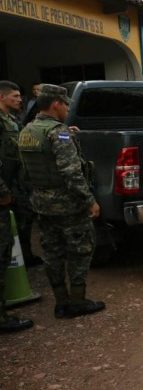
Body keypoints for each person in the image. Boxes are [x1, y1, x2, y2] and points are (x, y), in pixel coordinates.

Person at [18, 84, 105, 319]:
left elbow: (25, 171)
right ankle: (77, 301)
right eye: (65, 104)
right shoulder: (58, 133)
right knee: (80, 249)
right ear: (56, 104)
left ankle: (61, 302)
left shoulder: (27, 130)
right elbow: (71, 173)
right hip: (68, 204)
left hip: (42, 203)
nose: (67, 108)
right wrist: (89, 200)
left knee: (52, 253)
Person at [0, 80, 33, 332]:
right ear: (1, 97)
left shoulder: (11, 119)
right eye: (15, 95)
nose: (20, 99)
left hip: (15, 187)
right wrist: (3, 192)